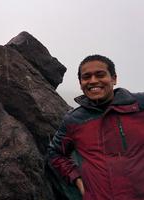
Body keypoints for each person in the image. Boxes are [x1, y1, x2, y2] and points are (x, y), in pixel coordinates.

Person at [48, 54, 144, 200]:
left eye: (100, 75)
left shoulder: (139, 104)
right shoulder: (74, 120)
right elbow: (55, 153)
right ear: (80, 83)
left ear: (114, 78)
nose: (93, 81)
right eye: (86, 77)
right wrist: (77, 180)